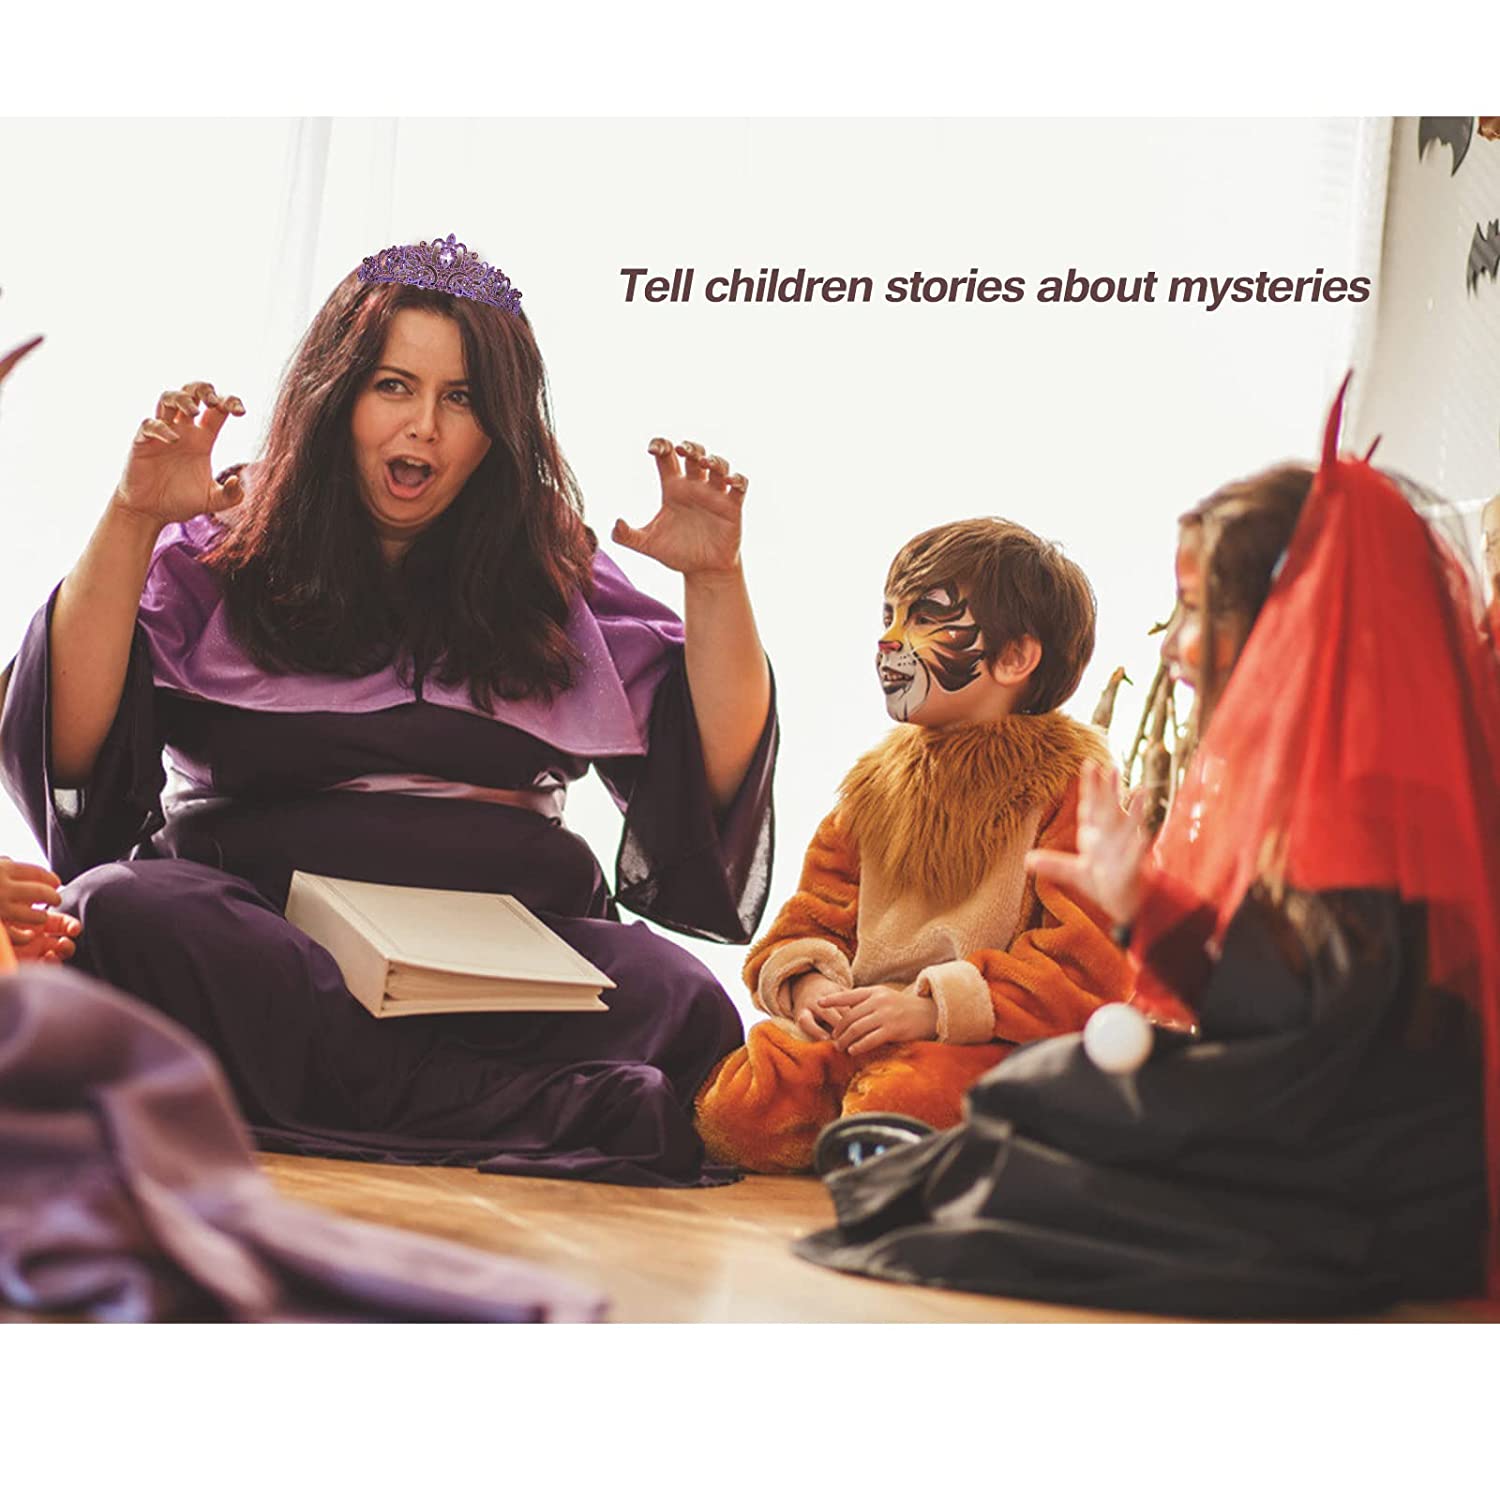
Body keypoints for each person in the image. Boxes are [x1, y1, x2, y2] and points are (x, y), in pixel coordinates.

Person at [0, 235, 777, 1187]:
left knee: (681, 998)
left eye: (463, 399)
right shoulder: (226, 532)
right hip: (270, 941)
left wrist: (715, 581)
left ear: (501, 425)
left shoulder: (552, 559)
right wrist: (131, 518)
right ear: (337, 396)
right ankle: (546, 1112)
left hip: (503, 956)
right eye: (394, 387)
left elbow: (710, 770)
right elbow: (72, 747)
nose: (425, 427)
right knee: (120, 913)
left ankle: (370, 1101)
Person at [795, 382, 1500, 1315]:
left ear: (1291, 627)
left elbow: (1310, 1042)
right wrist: (1146, 910)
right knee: (1036, 1096)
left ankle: (935, 1169)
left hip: (1350, 1146)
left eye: (1200, 614)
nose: (1175, 647)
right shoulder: (1306, 785)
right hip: (1299, 1099)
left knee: (1040, 1095)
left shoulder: (1372, 803)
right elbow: (1270, 1002)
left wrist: (1144, 929)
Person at [694, 519, 1132, 1172]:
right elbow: (814, 916)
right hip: (865, 1027)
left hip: (991, 1039)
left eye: (924, 617)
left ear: (1014, 658)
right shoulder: (872, 789)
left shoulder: (1073, 789)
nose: (889, 639)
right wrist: (813, 986)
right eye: (889, 614)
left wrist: (932, 1007)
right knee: (742, 1106)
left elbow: (1085, 966)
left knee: (900, 1101)